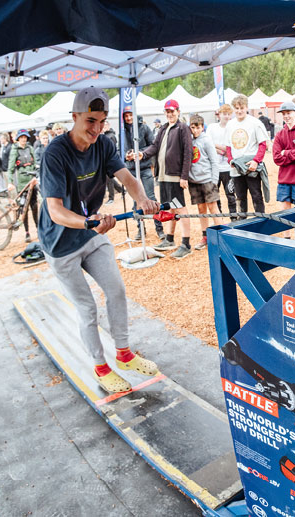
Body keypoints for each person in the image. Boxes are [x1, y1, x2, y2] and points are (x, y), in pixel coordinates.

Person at [38, 87, 161, 394]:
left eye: (102, 121)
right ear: (75, 117)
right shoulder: (55, 153)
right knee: (87, 307)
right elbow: (55, 211)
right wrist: (88, 222)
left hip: (90, 232)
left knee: (116, 290)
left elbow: (128, 178)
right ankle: (101, 367)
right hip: (60, 243)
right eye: (90, 121)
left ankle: (124, 354)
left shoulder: (103, 143)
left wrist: (143, 200)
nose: (96, 128)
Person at [144, 99, 193, 259]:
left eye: (172, 111)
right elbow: (155, 146)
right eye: (167, 111)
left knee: (180, 207)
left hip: (175, 175)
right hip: (163, 175)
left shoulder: (182, 128)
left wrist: (184, 176)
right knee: (170, 207)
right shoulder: (163, 128)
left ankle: (186, 244)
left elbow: (188, 152)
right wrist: (142, 154)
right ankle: (170, 239)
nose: (170, 114)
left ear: (178, 111)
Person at [121, 106, 163, 241]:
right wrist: (126, 155)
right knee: (136, 200)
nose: (128, 118)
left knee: (151, 197)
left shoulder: (144, 128)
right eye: (126, 116)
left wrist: (141, 153)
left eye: (130, 115)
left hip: (144, 168)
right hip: (130, 170)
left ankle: (159, 229)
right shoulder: (121, 131)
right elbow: (118, 150)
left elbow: (153, 145)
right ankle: (140, 229)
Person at [225, 94, 270, 216]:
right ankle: (242, 221)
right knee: (240, 197)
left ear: (246, 107)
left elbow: (262, 144)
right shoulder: (230, 125)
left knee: (256, 195)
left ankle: (261, 220)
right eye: (237, 108)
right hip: (236, 167)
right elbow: (228, 146)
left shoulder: (255, 123)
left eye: (242, 108)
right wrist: (230, 160)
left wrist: (256, 161)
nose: (239, 111)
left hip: (251, 166)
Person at [186, 114, 223, 250]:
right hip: (194, 181)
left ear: (202, 127)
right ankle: (205, 236)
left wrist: (214, 181)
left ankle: (221, 235)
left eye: (198, 127)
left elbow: (214, 161)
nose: (195, 130)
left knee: (213, 207)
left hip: (207, 180)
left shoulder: (207, 140)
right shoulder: (189, 140)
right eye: (193, 127)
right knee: (201, 209)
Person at [8, 129, 40, 242]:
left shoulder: (30, 148)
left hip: (32, 181)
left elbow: (35, 163)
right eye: (21, 137)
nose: (23, 139)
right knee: (24, 209)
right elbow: (11, 168)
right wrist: (10, 182)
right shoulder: (15, 150)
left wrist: (37, 173)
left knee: (34, 207)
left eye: (25, 137)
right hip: (22, 184)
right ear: (18, 138)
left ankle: (38, 229)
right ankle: (27, 232)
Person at [209, 104, 238, 220]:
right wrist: (222, 150)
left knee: (230, 194)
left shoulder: (233, 128)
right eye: (224, 114)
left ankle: (233, 218)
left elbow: (232, 147)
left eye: (228, 114)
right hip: (214, 168)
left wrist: (217, 147)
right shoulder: (212, 127)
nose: (226, 116)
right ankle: (219, 219)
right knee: (215, 196)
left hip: (228, 168)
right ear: (219, 115)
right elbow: (208, 144)